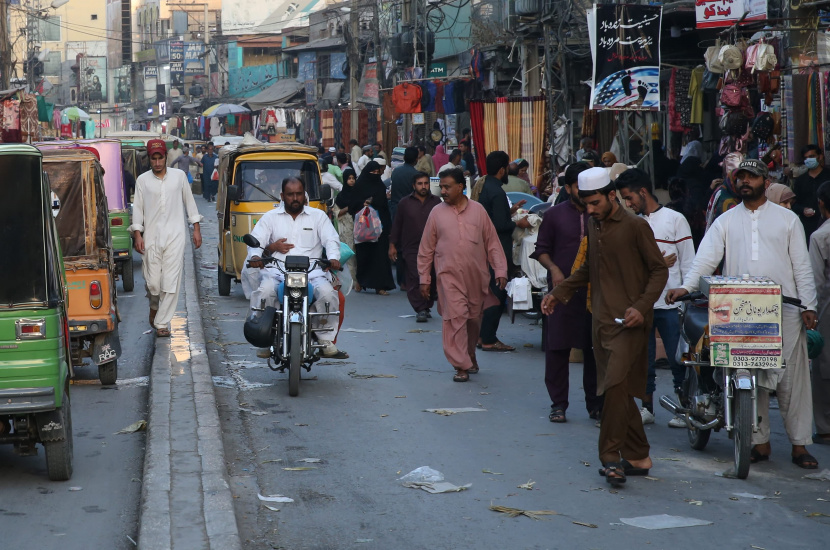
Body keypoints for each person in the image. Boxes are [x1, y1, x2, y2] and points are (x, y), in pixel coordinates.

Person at [667, 159, 820, 470]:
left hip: (785, 310)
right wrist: (685, 287)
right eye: (741, 177)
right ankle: (758, 443)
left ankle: (799, 445)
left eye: (752, 176)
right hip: (740, 309)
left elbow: (802, 267)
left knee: (792, 380)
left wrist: (809, 305)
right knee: (749, 375)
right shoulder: (725, 221)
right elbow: (704, 260)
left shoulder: (787, 220)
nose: (746, 182)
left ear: (765, 181)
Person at [542, 166, 668, 487]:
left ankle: (611, 458)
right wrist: (560, 292)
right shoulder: (594, 225)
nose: (590, 210)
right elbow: (588, 269)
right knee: (621, 393)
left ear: (612, 196)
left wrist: (641, 308)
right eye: (586, 204)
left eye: (595, 203)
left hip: (630, 322)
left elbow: (658, 271)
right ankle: (639, 455)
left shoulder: (636, 227)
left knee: (612, 388)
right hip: (601, 323)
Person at [615, 168, 694, 428]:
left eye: (629, 198)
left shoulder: (675, 220)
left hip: (671, 305)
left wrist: (685, 295)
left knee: (677, 359)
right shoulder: (631, 223)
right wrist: (657, 262)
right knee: (643, 359)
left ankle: (683, 408)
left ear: (643, 192)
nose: (628, 204)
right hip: (640, 305)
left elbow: (688, 262)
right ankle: (646, 408)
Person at [418, 168, 508, 382]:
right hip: (448, 277)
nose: (443, 191)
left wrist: (501, 270)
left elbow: (492, 243)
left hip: (477, 279)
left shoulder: (478, 211)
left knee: (472, 320)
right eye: (442, 187)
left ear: (461, 187)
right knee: (455, 317)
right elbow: (426, 249)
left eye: (448, 187)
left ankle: (469, 355)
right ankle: (461, 366)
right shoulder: (436, 213)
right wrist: (424, 279)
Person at [531, 162, 603, 423]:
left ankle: (595, 404)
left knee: (594, 349)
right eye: (577, 188)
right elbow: (541, 249)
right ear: (569, 188)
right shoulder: (554, 215)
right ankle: (558, 404)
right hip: (562, 293)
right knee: (558, 348)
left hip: (595, 293)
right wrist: (554, 269)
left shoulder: (600, 214)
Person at [247, 177, 348, 359]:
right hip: (277, 271)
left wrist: (333, 258)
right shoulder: (270, 217)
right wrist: (255, 255)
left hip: (312, 272)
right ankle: (265, 337)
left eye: (299, 194)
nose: (295, 198)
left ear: (304, 195)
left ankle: (325, 340)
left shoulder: (318, 216)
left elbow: (331, 239)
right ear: (282, 196)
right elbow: (257, 239)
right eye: (290, 194)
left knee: (327, 294)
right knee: (265, 291)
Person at [130, 139, 203, 337]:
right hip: (152, 237)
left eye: (160, 157)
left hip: (176, 235)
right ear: (149, 159)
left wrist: (196, 228)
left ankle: (161, 323)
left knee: (170, 282)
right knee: (153, 282)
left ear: (165, 157)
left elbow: (190, 203)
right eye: (153, 158)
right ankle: (154, 304)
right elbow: (137, 209)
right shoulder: (142, 181)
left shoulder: (179, 177)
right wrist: (138, 233)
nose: (157, 162)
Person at [476, 150, 532, 352]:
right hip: (497, 249)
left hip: (488, 248)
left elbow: (493, 218)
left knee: (490, 291)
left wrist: (511, 211)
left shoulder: (486, 187)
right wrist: (519, 222)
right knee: (497, 293)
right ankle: (489, 338)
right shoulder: (497, 192)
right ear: (502, 170)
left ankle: (483, 336)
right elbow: (499, 225)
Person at [389, 172, 442, 322]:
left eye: (426, 183)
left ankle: (426, 305)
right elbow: (397, 225)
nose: (423, 186)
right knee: (416, 276)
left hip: (434, 247)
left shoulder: (437, 202)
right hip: (411, 247)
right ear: (414, 186)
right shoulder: (405, 203)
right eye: (420, 183)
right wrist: (392, 245)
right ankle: (420, 308)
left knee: (430, 277)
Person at [338, 161, 395, 294]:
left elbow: (384, 207)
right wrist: (362, 204)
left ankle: (380, 286)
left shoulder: (380, 186)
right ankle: (361, 281)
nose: (375, 175)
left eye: (377, 173)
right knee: (364, 256)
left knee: (380, 256)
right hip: (363, 228)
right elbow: (352, 206)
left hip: (379, 228)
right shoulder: (359, 186)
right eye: (372, 173)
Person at [808, 181, 830, 446]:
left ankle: (825, 426)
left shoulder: (820, 237)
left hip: (826, 304)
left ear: (821, 203)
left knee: (823, 363)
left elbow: (814, 280)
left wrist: (809, 310)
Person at [390, 147, 420, 289]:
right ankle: (409, 279)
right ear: (416, 159)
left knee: (400, 245)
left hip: (396, 210)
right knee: (411, 246)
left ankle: (402, 280)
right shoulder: (416, 175)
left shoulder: (396, 172)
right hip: (411, 212)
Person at [793, 144, 830, 242]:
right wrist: (803, 210)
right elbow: (794, 204)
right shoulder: (800, 181)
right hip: (807, 227)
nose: (808, 160)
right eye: (806, 158)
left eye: (811, 157)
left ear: (820, 156)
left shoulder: (828, 176)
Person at [334, 168, 359, 291]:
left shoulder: (359, 194)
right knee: (350, 254)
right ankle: (352, 281)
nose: (352, 181)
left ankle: (359, 280)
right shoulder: (341, 197)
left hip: (360, 227)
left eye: (353, 178)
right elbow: (337, 214)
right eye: (349, 178)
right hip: (346, 228)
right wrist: (349, 207)